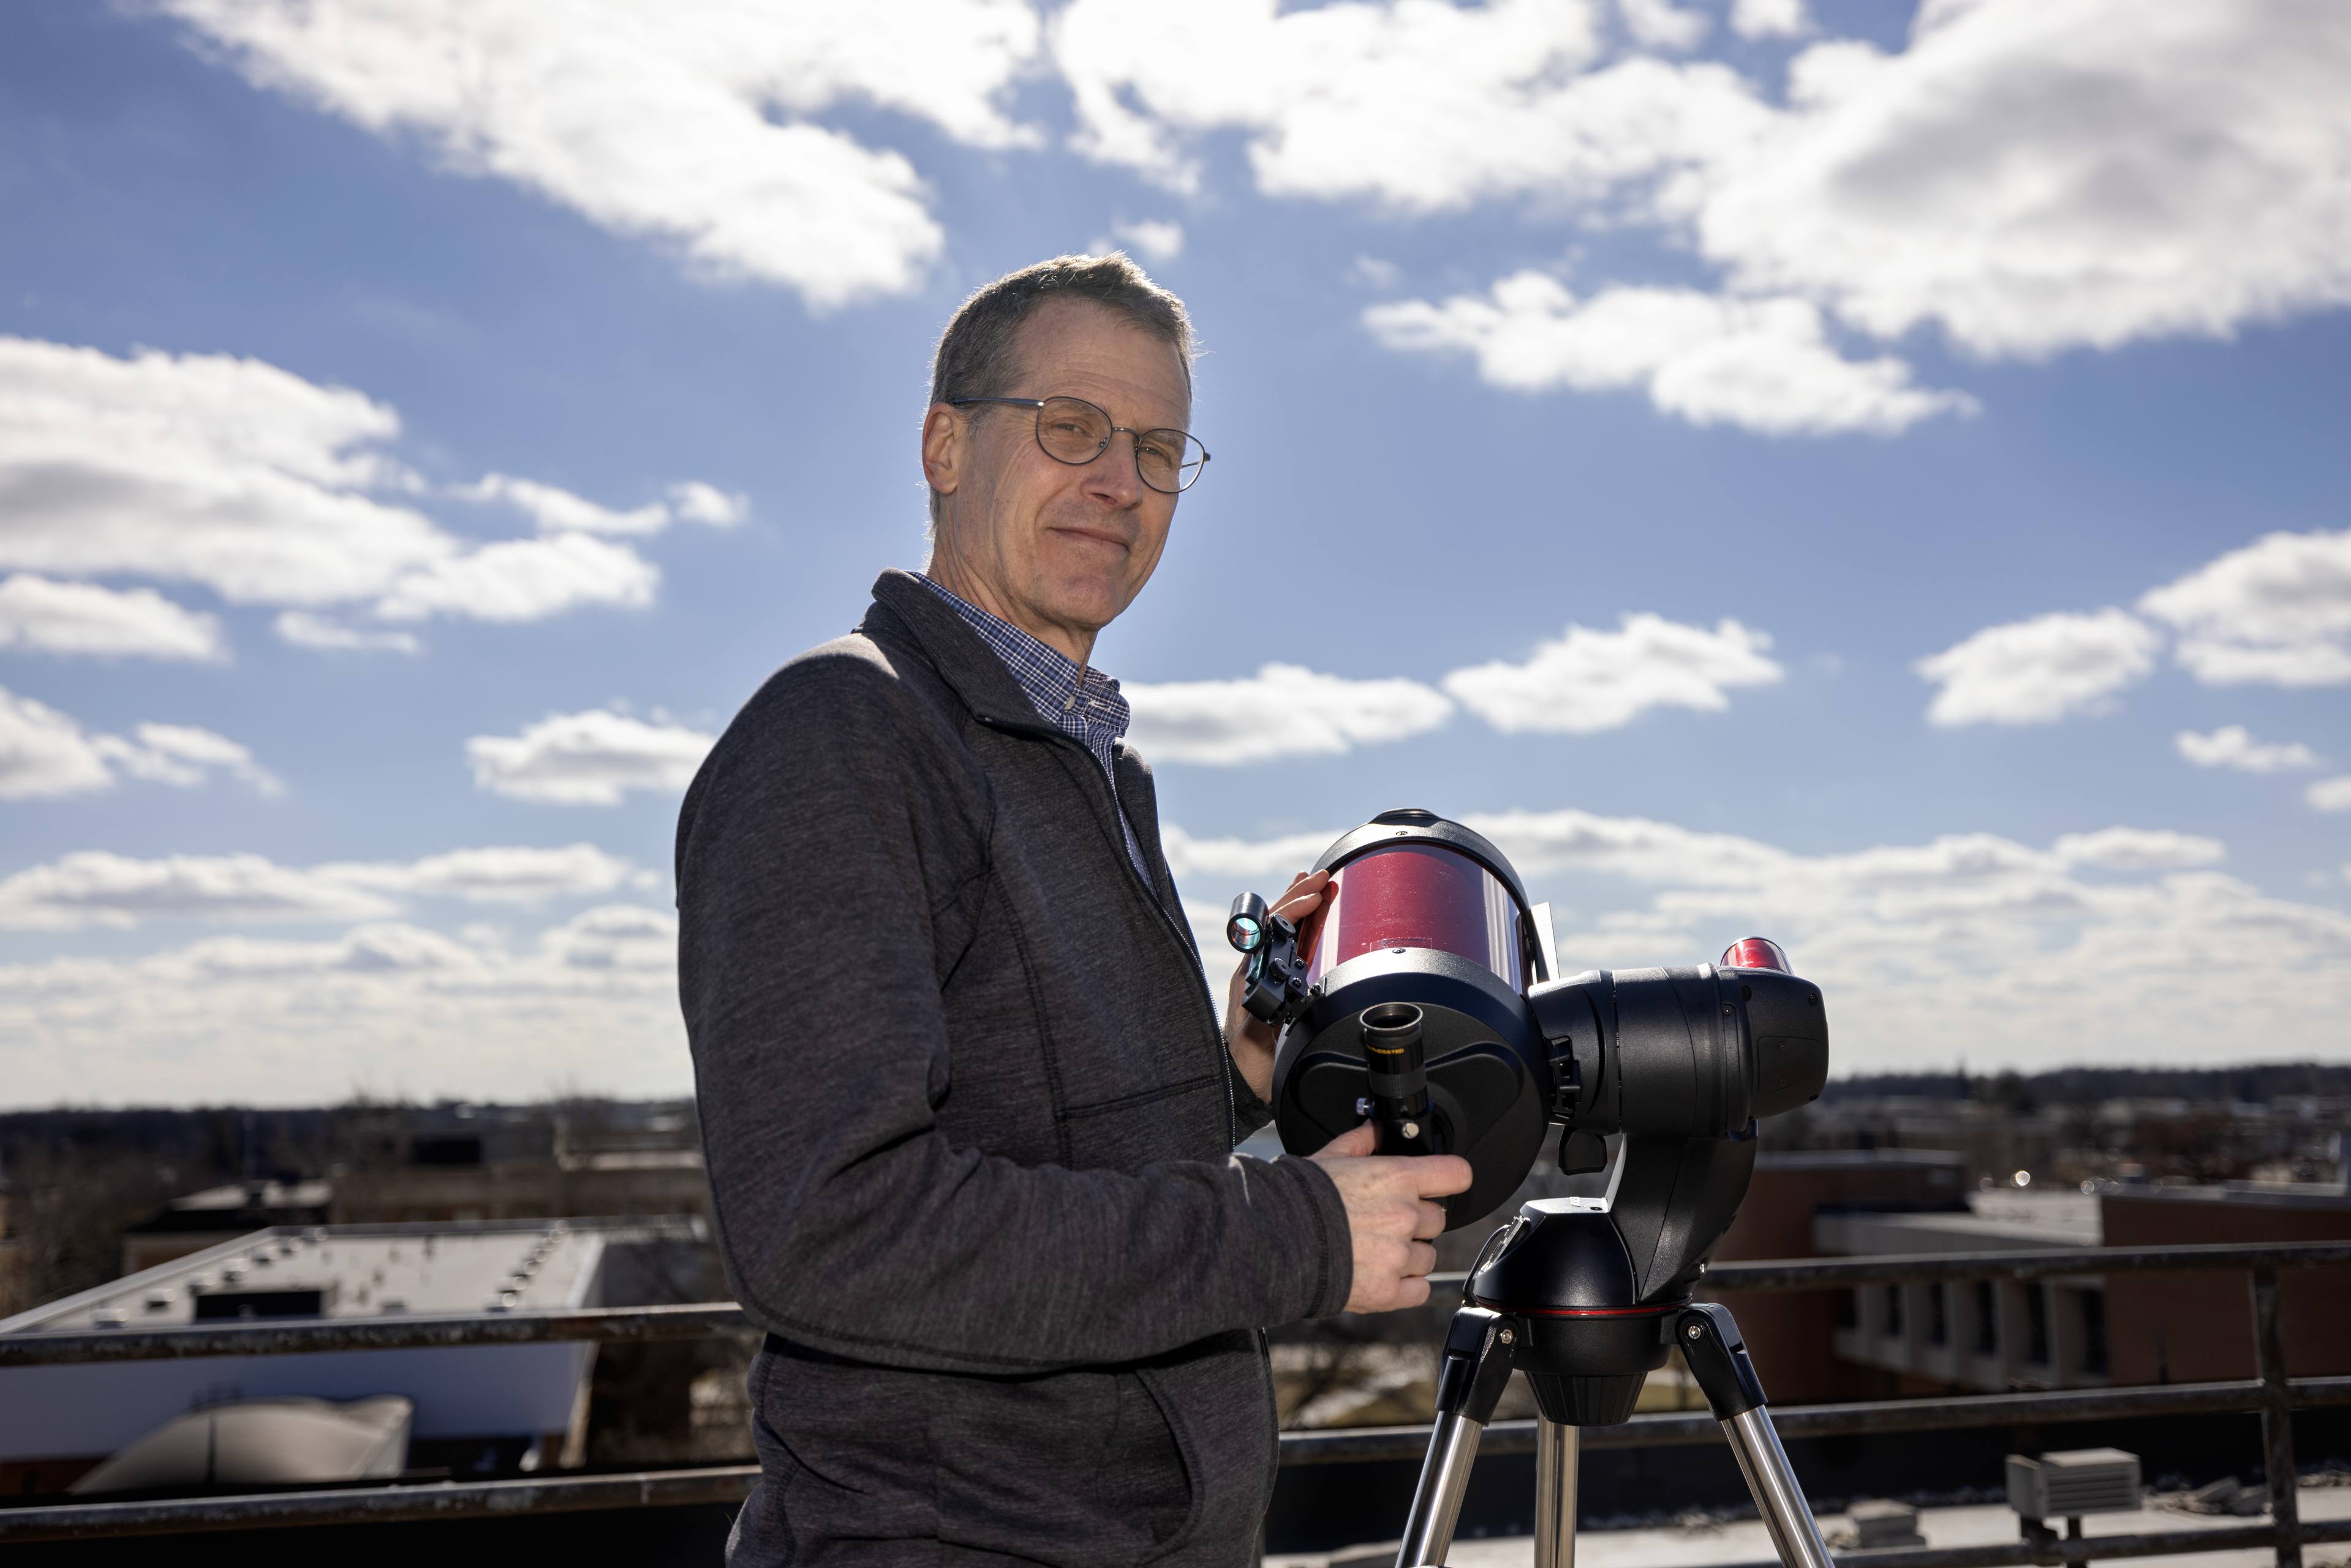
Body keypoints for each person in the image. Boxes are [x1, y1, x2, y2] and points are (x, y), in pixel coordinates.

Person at [676, 253, 1470, 1566]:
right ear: (943, 443)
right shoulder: (841, 734)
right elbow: (832, 1228)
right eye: (1072, 427)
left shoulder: (1094, 763)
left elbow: (1041, 1131)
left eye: (1159, 448)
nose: (1119, 481)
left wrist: (1237, 1080)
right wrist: (1287, 1233)